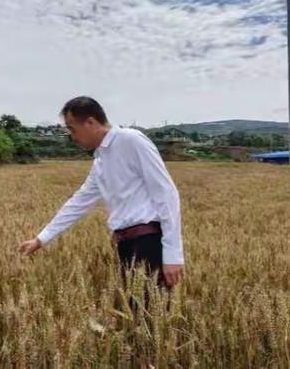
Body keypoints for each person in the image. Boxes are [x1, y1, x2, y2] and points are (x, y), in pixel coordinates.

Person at [20, 97, 184, 290]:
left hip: (148, 242)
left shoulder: (131, 140)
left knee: (149, 315)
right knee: (136, 313)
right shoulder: (101, 159)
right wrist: (41, 239)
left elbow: (166, 193)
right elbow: (79, 202)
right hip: (125, 244)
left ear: (90, 122)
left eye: (72, 129)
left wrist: (173, 255)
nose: (72, 136)